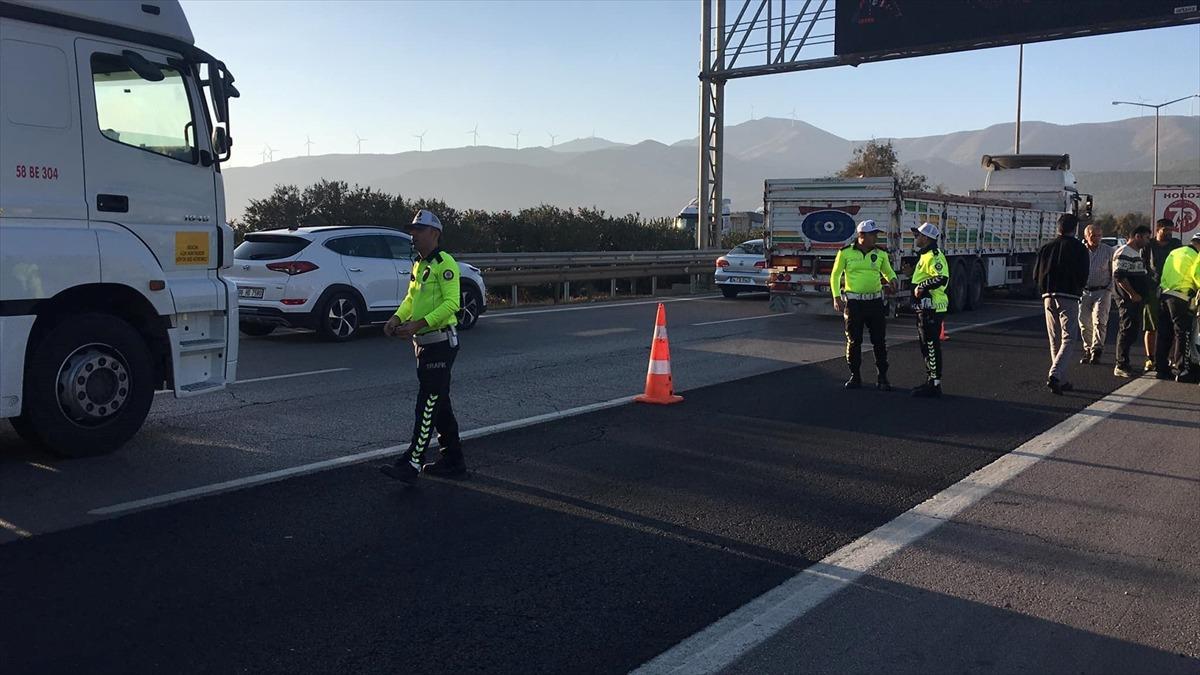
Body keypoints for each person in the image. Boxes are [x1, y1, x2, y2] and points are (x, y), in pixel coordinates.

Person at [380, 209, 466, 484]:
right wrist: (397, 317)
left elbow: (453, 304)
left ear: (435, 234)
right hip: (424, 344)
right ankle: (453, 460)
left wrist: (418, 324)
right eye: (412, 230)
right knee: (440, 405)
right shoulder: (419, 264)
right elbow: (410, 298)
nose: (413, 235)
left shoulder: (444, 263)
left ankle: (413, 462)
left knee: (427, 403)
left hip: (440, 342)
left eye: (419, 230)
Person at [831, 220, 898, 390]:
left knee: (879, 341)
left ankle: (882, 377)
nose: (876, 237)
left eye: (876, 234)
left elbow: (887, 270)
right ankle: (855, 376)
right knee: (854, 341)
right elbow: (835, 275)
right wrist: (836, 297)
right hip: (854, 304)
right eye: (872, 234)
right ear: (862, 235)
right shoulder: (845, 253)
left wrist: (892, 279)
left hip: (875, 302)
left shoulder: (880, 253)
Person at [1033, 213, 1089, 394]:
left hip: (1048, 295)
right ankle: (1056, 374)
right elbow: (1083, 274)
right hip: (1069, 295)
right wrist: (1079, 288)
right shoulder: (1079, 248)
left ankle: (1061, 379)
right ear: (1075, 229)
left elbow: (1036, 273)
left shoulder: (1046, 247)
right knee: (1069, 337)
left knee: (1054, 338)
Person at [909, 222, 949, 398]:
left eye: (918, 235)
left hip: (933, 307)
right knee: (926, 345)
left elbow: (941, 277)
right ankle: (930, 380)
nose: (915, 238)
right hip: (924, 308)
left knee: (931, 345)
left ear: (926, 238)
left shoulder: (934, 255)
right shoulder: (924, 255)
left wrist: (922, 286)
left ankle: (935, 384)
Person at [1154, 231, 1200, 382]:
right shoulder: (1196, 256)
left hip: (1164, 295)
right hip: (1181, 297)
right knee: (1183, 334)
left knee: (1164, 334)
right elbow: (1196, 275)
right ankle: (1183, 370)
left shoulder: (1175, 252)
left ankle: (1161, 369)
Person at [1112, 225, 1153, 378]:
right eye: (1146, 238)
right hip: (1127, 299)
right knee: (1126, 330)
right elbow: (1120, 276)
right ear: (1137, 236)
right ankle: (1121, 364)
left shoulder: (1136, 253)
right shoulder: (1124, 252)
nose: (1147, 241)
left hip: (1136, 300)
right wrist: (1132, 294)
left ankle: (1125, 362)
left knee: (1132, 331)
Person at [1141, 219, 1181, 371]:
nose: (1169, 233)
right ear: (1158, 230)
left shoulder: (1176, 245)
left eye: (1171, 230)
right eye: (1166, 230)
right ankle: (1150, 358)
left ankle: (1169, 358)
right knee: (1151, 326)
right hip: (1152, 290)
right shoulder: (1148, 246)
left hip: (1172, 290)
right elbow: (1143, 266)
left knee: (1171, 326)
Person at [1079, 224, 1114, 365]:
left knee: (1099, 321)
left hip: (1103, 290)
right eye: (1093, 235)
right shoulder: (1080, 251)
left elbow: (1114, 270)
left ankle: (1097, 350)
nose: (1096, 238)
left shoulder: (1108, 251)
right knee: (1084, 322)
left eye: (1099, 235)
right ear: (1086, 236)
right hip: (1085, 290)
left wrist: (1110, 288)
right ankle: (1087, 348)